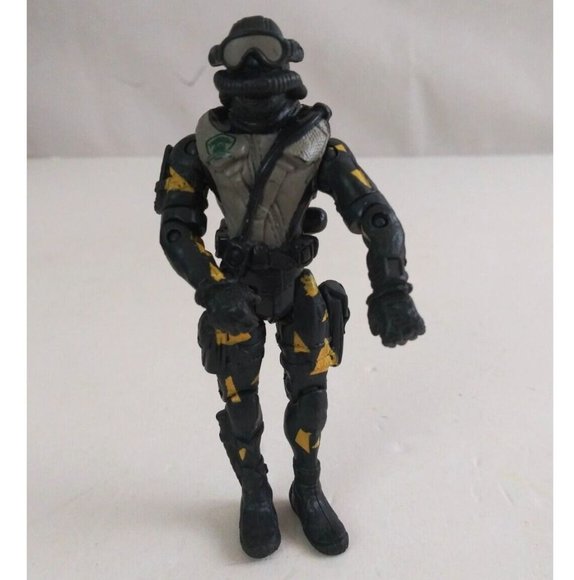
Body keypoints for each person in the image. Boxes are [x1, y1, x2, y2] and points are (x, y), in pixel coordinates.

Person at [155, 15, 425, 558]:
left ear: (288, 58)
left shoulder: (317, 142)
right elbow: (176, 229)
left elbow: (376, 216)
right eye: (242, 53)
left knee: (311, 397)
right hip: (236, 291)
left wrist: (391, 289)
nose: (254, 65)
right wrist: (214, 288)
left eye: (265, 51)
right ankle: (255, 492)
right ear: (222, 63)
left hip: (294, 284)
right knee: (239, 401)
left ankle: (307, 487)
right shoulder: (198, 148)